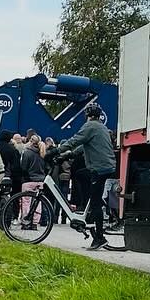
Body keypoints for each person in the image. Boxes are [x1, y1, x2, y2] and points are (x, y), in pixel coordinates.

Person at [55, 103, 117, 248]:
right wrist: (69, 154)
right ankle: (87, 207)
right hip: (106, 166)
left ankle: (100, 237)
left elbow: (75, 140)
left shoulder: (90, 126)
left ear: (87, 115)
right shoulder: (101, 127)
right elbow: (83, 145)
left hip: (99, 168)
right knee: (80, 175)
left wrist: (57, 151)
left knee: (94, 202)